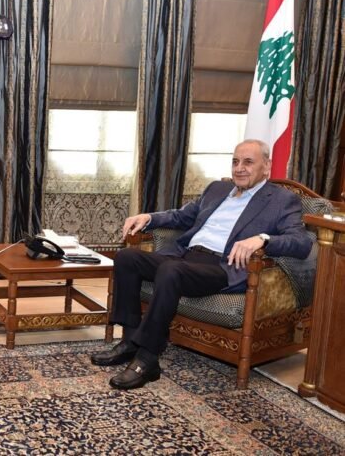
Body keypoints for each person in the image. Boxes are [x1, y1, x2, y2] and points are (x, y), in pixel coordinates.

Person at [91, 139, 312, 390]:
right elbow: (181, 216)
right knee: (126, 257)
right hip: (185, 256)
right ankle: (130, 341)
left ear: (267, 166)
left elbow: (301, 242)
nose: (239, 168)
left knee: (170, 270)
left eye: (248, 162)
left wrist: (263, 239)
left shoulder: (282, 200)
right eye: (235, 162)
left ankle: (147, 358)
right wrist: (149, 217)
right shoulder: (217, 189)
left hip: (221, 267)